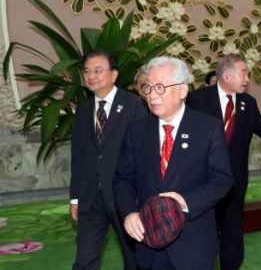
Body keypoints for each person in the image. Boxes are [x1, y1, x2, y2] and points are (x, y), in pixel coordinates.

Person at [186, 54, 261, 270]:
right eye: (243, 73)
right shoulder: (198, 99)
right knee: (202, 233)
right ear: (226, 75)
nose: (247, 79)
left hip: (234, 181)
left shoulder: (247, 102)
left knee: (233, 234)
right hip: (201, 181)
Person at [113, 57, 234, 270]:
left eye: (160, 87)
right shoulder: (136, 130)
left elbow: (222, 180)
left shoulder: (208, 128)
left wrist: (184, 202)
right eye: (147, 87)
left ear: (182, 90)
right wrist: (129, 213)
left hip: (193, 246)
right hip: (149, 243)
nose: (151, 95)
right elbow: (123, 179)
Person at [70, 50, 147, 270]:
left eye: (97, 70)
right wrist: (75, 198)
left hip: (125, 199)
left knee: (134, 260)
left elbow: (144, 156)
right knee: (84, 260)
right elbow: (79, 157)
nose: (90, 75)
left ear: (113, 75)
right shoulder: (83, 111)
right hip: (90, 198)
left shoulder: (135, 106)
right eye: (86, 71)